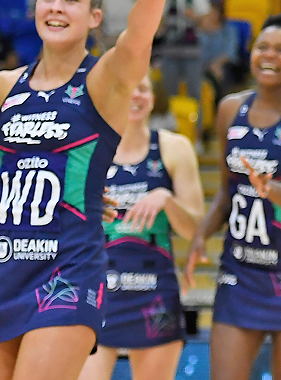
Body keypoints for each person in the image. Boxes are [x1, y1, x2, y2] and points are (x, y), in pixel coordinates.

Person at [0, 0, 170, 380]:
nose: (56, 8)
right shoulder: (1, 88)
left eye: (72, 0)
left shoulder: (104, 81)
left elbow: (137, 41)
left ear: (94, 16)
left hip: (68, 267)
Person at [184, 14, 281, 380]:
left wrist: (272, 189)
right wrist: (202, 233)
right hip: (240, 273)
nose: (269, 55)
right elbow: (225, 191)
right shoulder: (229, 109)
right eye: (262, 46)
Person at [78, 74, 204, 380]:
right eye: (125, 87)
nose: (134, 95)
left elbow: (195, 231)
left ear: (154, 97)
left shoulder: (174, 148)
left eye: (143, 89)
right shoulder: (87, 147)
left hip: (154, 289)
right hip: (96, 286)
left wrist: (167, 200)